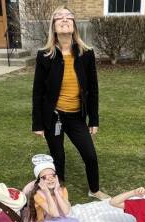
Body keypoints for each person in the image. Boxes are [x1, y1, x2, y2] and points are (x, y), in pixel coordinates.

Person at [32, 6, 109, 201]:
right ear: (53, 26)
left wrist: (94, 120)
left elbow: (93, 89)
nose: (65, 20)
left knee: (90, 155)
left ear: (74, 25)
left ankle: (94, 189)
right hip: (54, 116)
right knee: (58, 157)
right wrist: (38, 124)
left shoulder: (86, 53)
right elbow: (38, 92)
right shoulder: (45, 55)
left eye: (69, 17)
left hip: (76, 117)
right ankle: (58, 190)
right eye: (59, 17)